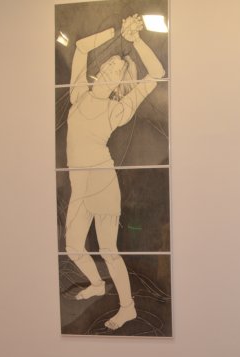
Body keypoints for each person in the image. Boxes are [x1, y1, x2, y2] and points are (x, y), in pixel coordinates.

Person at [65, 14, 165, 330]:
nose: (110, 69)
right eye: (109, 65)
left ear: (120, 84)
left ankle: (128, 308)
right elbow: (81, 48)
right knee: (73, 248)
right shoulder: (78, 93)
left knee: (108, 250)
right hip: (79, 183)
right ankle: (97, 284)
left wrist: (135, 40)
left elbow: (157, 73)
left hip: (102, 182)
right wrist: (115, 33)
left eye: (118, 71)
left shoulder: (117, 110)